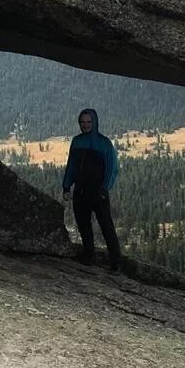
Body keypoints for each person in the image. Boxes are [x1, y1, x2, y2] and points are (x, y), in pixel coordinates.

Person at [61, 108, 122, 271]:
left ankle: (116, 262)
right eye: (83, 122)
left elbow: (112, 168)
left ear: (94, 123)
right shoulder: (77, 141)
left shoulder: (104, 143)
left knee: (106, 227)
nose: (85, 125)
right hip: (80, 191)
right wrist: (67, 186)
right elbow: (72, 166)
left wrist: (105, 188)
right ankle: (89, 255)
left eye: (89, 122)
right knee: (83, 225)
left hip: (98, 192)